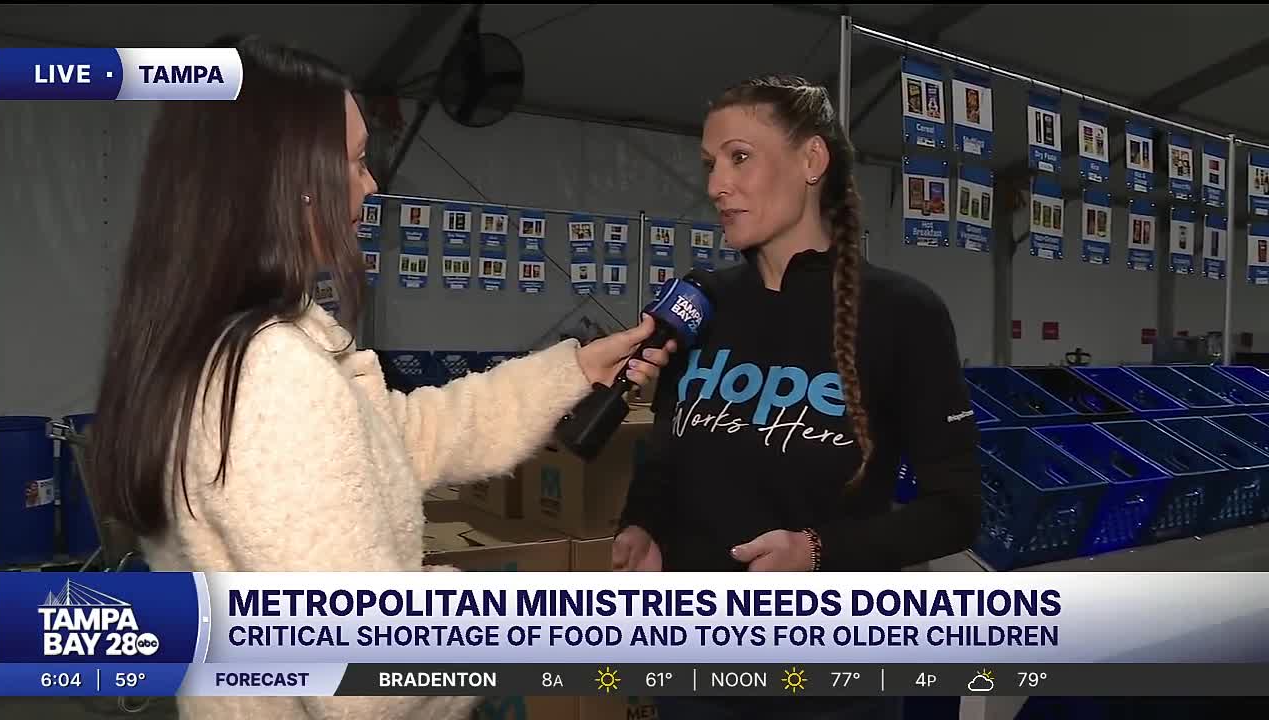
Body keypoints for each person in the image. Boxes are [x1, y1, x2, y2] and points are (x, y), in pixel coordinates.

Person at [86, 35, 675, 720]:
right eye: (357, 161)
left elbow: (404, 438)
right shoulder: (270, 377)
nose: (371, 185)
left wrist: (572, 370)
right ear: (288, 179)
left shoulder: (221, 340)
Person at [613, 75, 981, 719]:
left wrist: (817, 551)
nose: (716, 185)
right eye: (710, 164)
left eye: (740, 157)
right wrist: (642, 524)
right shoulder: (702, 305)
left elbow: (955, 510)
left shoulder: (903, 313)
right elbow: (668, 456)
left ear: (812, 160)